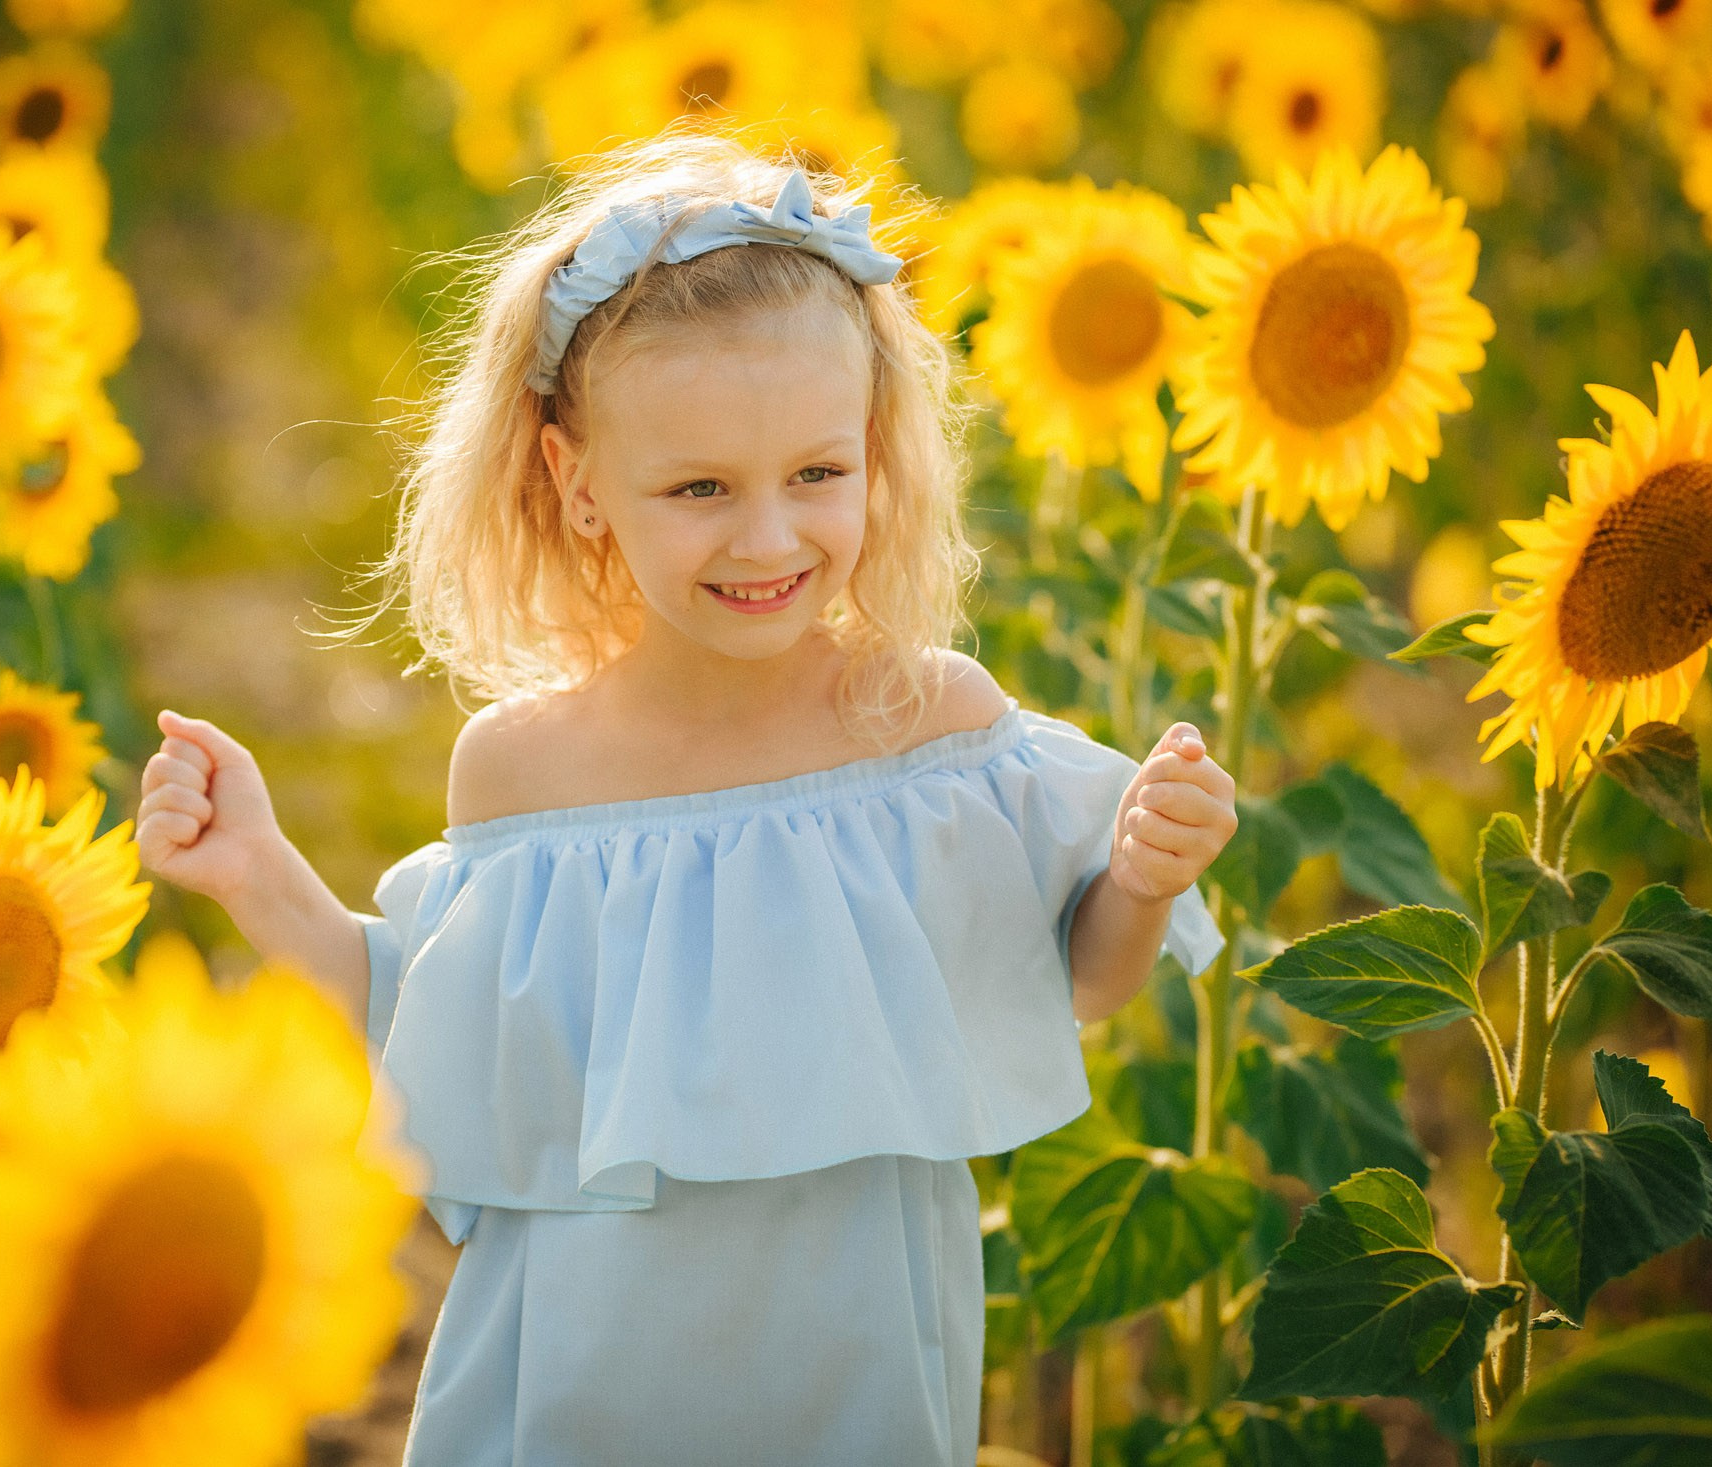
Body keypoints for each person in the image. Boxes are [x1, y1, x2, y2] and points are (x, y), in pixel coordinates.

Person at [133, 129, 1239, 1467]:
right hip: (581, 1383)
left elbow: (1075, 982)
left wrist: (1141, 874)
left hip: (855, 1373)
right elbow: (446, 1045)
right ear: (577, 481)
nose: (769, 540)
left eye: (816, 475)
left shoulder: (927, 729)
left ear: (876, 451)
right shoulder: (526, 767)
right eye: (701, 488)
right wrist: (259, 873)